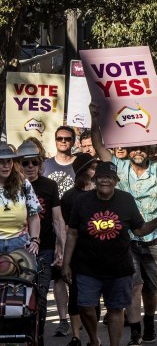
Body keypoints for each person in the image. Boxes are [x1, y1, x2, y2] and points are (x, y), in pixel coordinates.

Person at [89, 102, 157, 344]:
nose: (138, 151)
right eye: (134, 147)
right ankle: (136, 331)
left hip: (154, 238)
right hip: (126, 239)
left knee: (150, 288)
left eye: (142, 148)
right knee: (134, 286)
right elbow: (98, 146)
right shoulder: (120, 166)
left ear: (150, 150)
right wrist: (95, 118)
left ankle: (149, 323)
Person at [62, 161, 157, 346]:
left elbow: (139, 230)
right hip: (87, 266)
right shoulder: (82, 201)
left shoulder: (126, 200)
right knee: (85, 307)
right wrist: (66, 263)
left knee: (116, 309)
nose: (104, 181)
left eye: (109, 177)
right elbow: (72, 232)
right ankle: (94, 340)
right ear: (95, 179)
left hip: (119, 267)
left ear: (115, 181)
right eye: (101, 177)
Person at [18, 140, 66, 346]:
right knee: (19, 294)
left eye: (34, 163)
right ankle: (20, 335)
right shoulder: (12, 186)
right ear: (17, 164)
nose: (30, 167)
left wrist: (61, 247)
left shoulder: (49, 185)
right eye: (25, 162)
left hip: (44, 247)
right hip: (17, 247)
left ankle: (38, 337)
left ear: (39, 164)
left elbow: (57, 218)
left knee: (41, 295)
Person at [61, 153, 98, 346]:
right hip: (76, 251)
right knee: (75, 293)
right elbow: (67, 227)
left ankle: (94, 335)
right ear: (81, 172)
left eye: (95, 168)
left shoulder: (101, 192)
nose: (94, 172)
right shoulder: (69, 196)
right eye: (91, 168)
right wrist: (64, 258)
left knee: (95, 296)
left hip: (98, 250)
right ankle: (76, 335)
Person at [43, 125, 77, 337]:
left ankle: (79, 314)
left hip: (75, 226)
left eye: (67, 139)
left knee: (77, 274)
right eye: (59, 138)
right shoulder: (45, 165)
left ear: (73, 141)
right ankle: (64, 319)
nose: (63, 141)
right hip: (52, 226)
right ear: (55, 140)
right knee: (58, 276)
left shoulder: (79, 164)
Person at [0, 141, 42, 255]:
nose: (6, 165)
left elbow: (34, 215)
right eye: (1, 162)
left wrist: (34, 240)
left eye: (9, 161)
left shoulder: (23, 183)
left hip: (19, 241)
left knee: (26, 272)